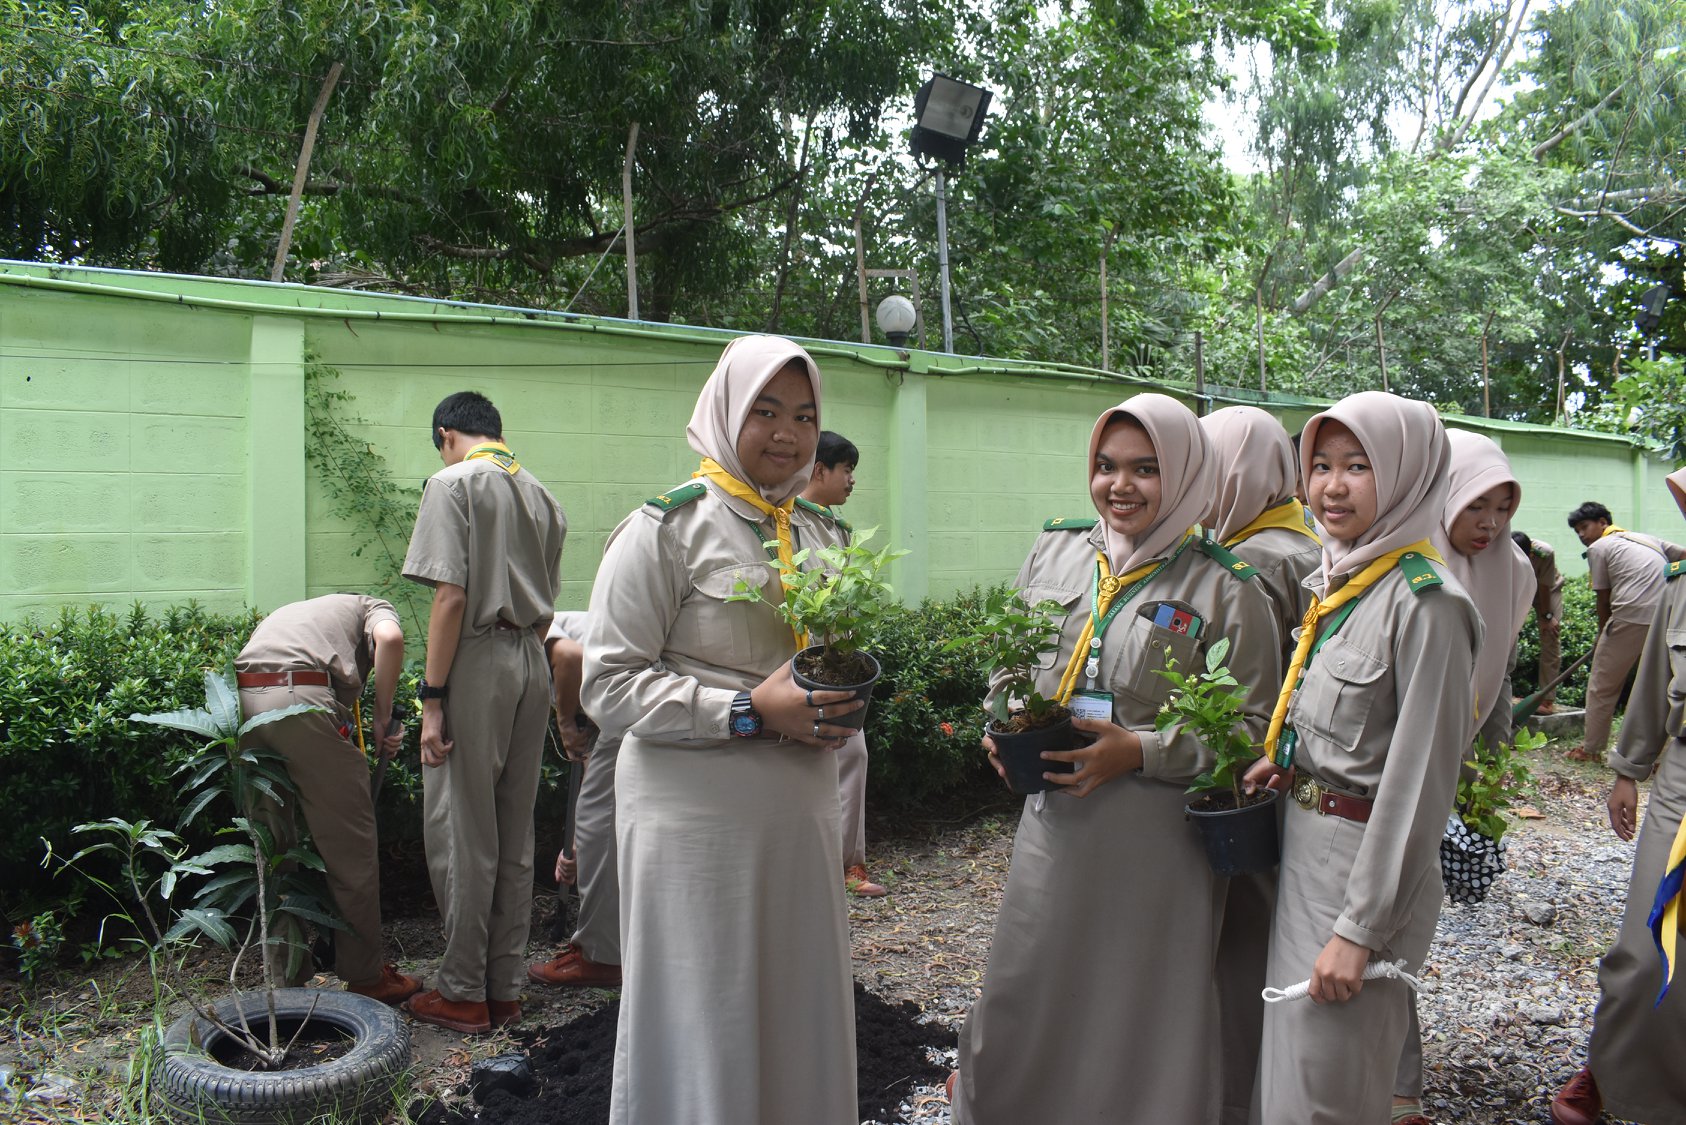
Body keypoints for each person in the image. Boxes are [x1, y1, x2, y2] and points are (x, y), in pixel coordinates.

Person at [950, 393, 1284, 1124]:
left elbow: (1254, 733)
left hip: (1155, 842)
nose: (1119, 486)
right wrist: (1001, 721)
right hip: (1054, 828)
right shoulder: (1059, 548)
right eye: (1105, 466)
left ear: (1189, 475)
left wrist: (1142, 749)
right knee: (1026, 984)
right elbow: (1009, 667)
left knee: (1137, 1008)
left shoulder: (1228, 588)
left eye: (1145, 468)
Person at [580, 335, 865, 1125]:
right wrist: (742, 711)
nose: (788, 434)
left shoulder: (823, 537)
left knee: (793, 987)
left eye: (805, 416)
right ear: (726, 411)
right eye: (766, 411)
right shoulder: (664, 529)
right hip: (692, 817)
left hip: (800, 805)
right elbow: (608, 683)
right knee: (704, 998)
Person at [1244, 392, 1481, 1125]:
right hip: (1308, 847)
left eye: (1357, 466)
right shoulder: (1351, 580)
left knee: (1330, 1087)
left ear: (1408, 475)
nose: (1331, 486)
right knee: (1291, 1070)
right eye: (1319, 465)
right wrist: (1293, 759)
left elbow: (1417, 787)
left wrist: (1359, 931)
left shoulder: (1427, 603)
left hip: (1360, 874)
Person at [400, 390, 567, 1034]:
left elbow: (449, 597)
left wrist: (432, 699)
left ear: (447, 433)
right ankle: (506, 984)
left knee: (463, 826)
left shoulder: (453, 482)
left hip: (477, 663)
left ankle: (464, 991)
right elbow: (547, 602)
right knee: (513, 829)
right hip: (531, 657)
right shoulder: (542, 494)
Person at [1391, 429, 1534, 1125]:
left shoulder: (1517, 572)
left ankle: (1397, 1085)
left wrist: (1479, 784)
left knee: (1398, 925)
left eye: (1504, 508)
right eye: (1479, 504)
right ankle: (1392, 1081)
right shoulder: (1400, 567)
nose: (1491, 524)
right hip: (1376, 772)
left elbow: (1495, 681)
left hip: (1448, 763)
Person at [1199, 404, 1322, 1125]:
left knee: (1242, 936)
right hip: (1304, 778)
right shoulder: (1312, 543)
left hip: (1249, 775)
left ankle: (1234, 1094)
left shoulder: (1258, 560)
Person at [1551, 467, 1686, 1125]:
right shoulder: (1675, 582)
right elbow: (1657, 683)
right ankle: (1614, 1071)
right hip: (1682, 783)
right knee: (1648, 939)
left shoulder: (1622, 550)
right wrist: (1628, 769)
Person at [234, 593, 419, 1004]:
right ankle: (366, 976)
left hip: (249, 699)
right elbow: (390, 640)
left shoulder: (305, 614)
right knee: (350, 845)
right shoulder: (373, 606)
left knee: (274, 846)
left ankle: (286, 974)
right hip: (303, 699)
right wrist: (382, 715)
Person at [797, 429, 886, 898]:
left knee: (852, 755)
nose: (852, 480)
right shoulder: (786, 522)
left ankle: (850, 865)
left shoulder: (839, 529)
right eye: (846, 470)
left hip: (841, 666)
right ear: (819, 470)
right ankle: (814, 868)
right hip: (798, 670)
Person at [527, 610, 623, 988]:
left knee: (600, 818)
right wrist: (580, 846)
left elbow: (568, 656)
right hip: (630, 706)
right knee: (601, 815)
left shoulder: (532, 628)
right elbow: (594, 784)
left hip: (625, 705)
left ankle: (600, 956)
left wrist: (565, 723)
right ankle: (610, 946)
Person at [1569, 501, 1686, 762]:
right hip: (1669, 616)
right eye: (1577, 530)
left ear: (1603, 523)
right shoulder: (1647, 539)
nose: (1581, 535)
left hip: (1631, 616)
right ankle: (1658, 758)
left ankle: (1591, 749)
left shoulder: (1598, 547)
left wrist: (1603, 634)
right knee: (1660, 685)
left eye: (1584, 527)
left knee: (1602, 686)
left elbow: (1603, 597)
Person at [1512, 529, 1565, 713]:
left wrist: (1546, 617)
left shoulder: (1544, 552)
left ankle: (1547, 700)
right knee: (1506, 635)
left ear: (1530, 554)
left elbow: (1544, 586)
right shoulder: (1497, 547)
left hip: (1547, 591)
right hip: (1518, 588)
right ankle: (1502, 691)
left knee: (1550, 635)